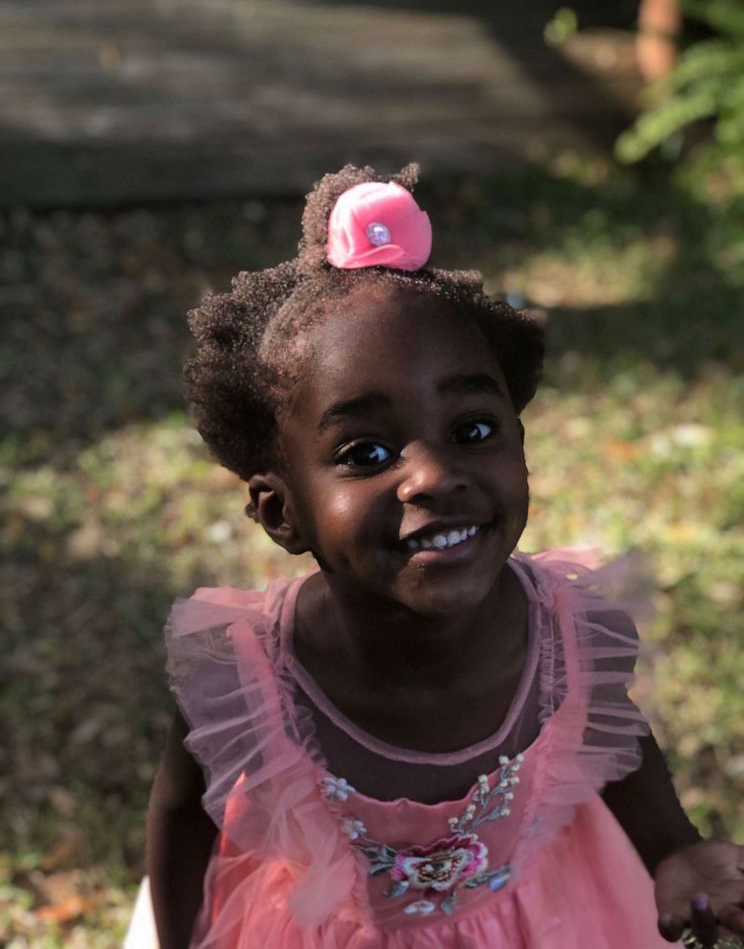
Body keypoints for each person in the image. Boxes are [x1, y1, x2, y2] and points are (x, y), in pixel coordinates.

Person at [141, 164, 744, 949]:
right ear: (280, 512)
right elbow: (181, 813)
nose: (433, 474)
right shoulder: (244, 676)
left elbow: (614, 747)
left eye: (473, 430)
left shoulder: (571, 637)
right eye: (366, 451)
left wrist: (673, 849)